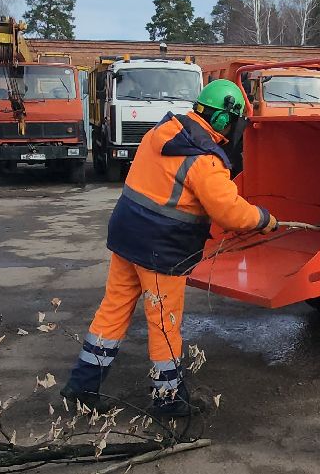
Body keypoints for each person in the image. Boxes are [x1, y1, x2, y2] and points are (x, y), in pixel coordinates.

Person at [61, 79, 278, 417]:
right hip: (160, 250)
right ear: (224, 120)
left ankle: (82, 385)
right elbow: (230, 213)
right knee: (164, 322)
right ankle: (168, 399)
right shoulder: (203, 161)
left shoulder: (162, 132)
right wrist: (264, 219)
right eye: (236, 123)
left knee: (114, 309)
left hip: (126, 238)